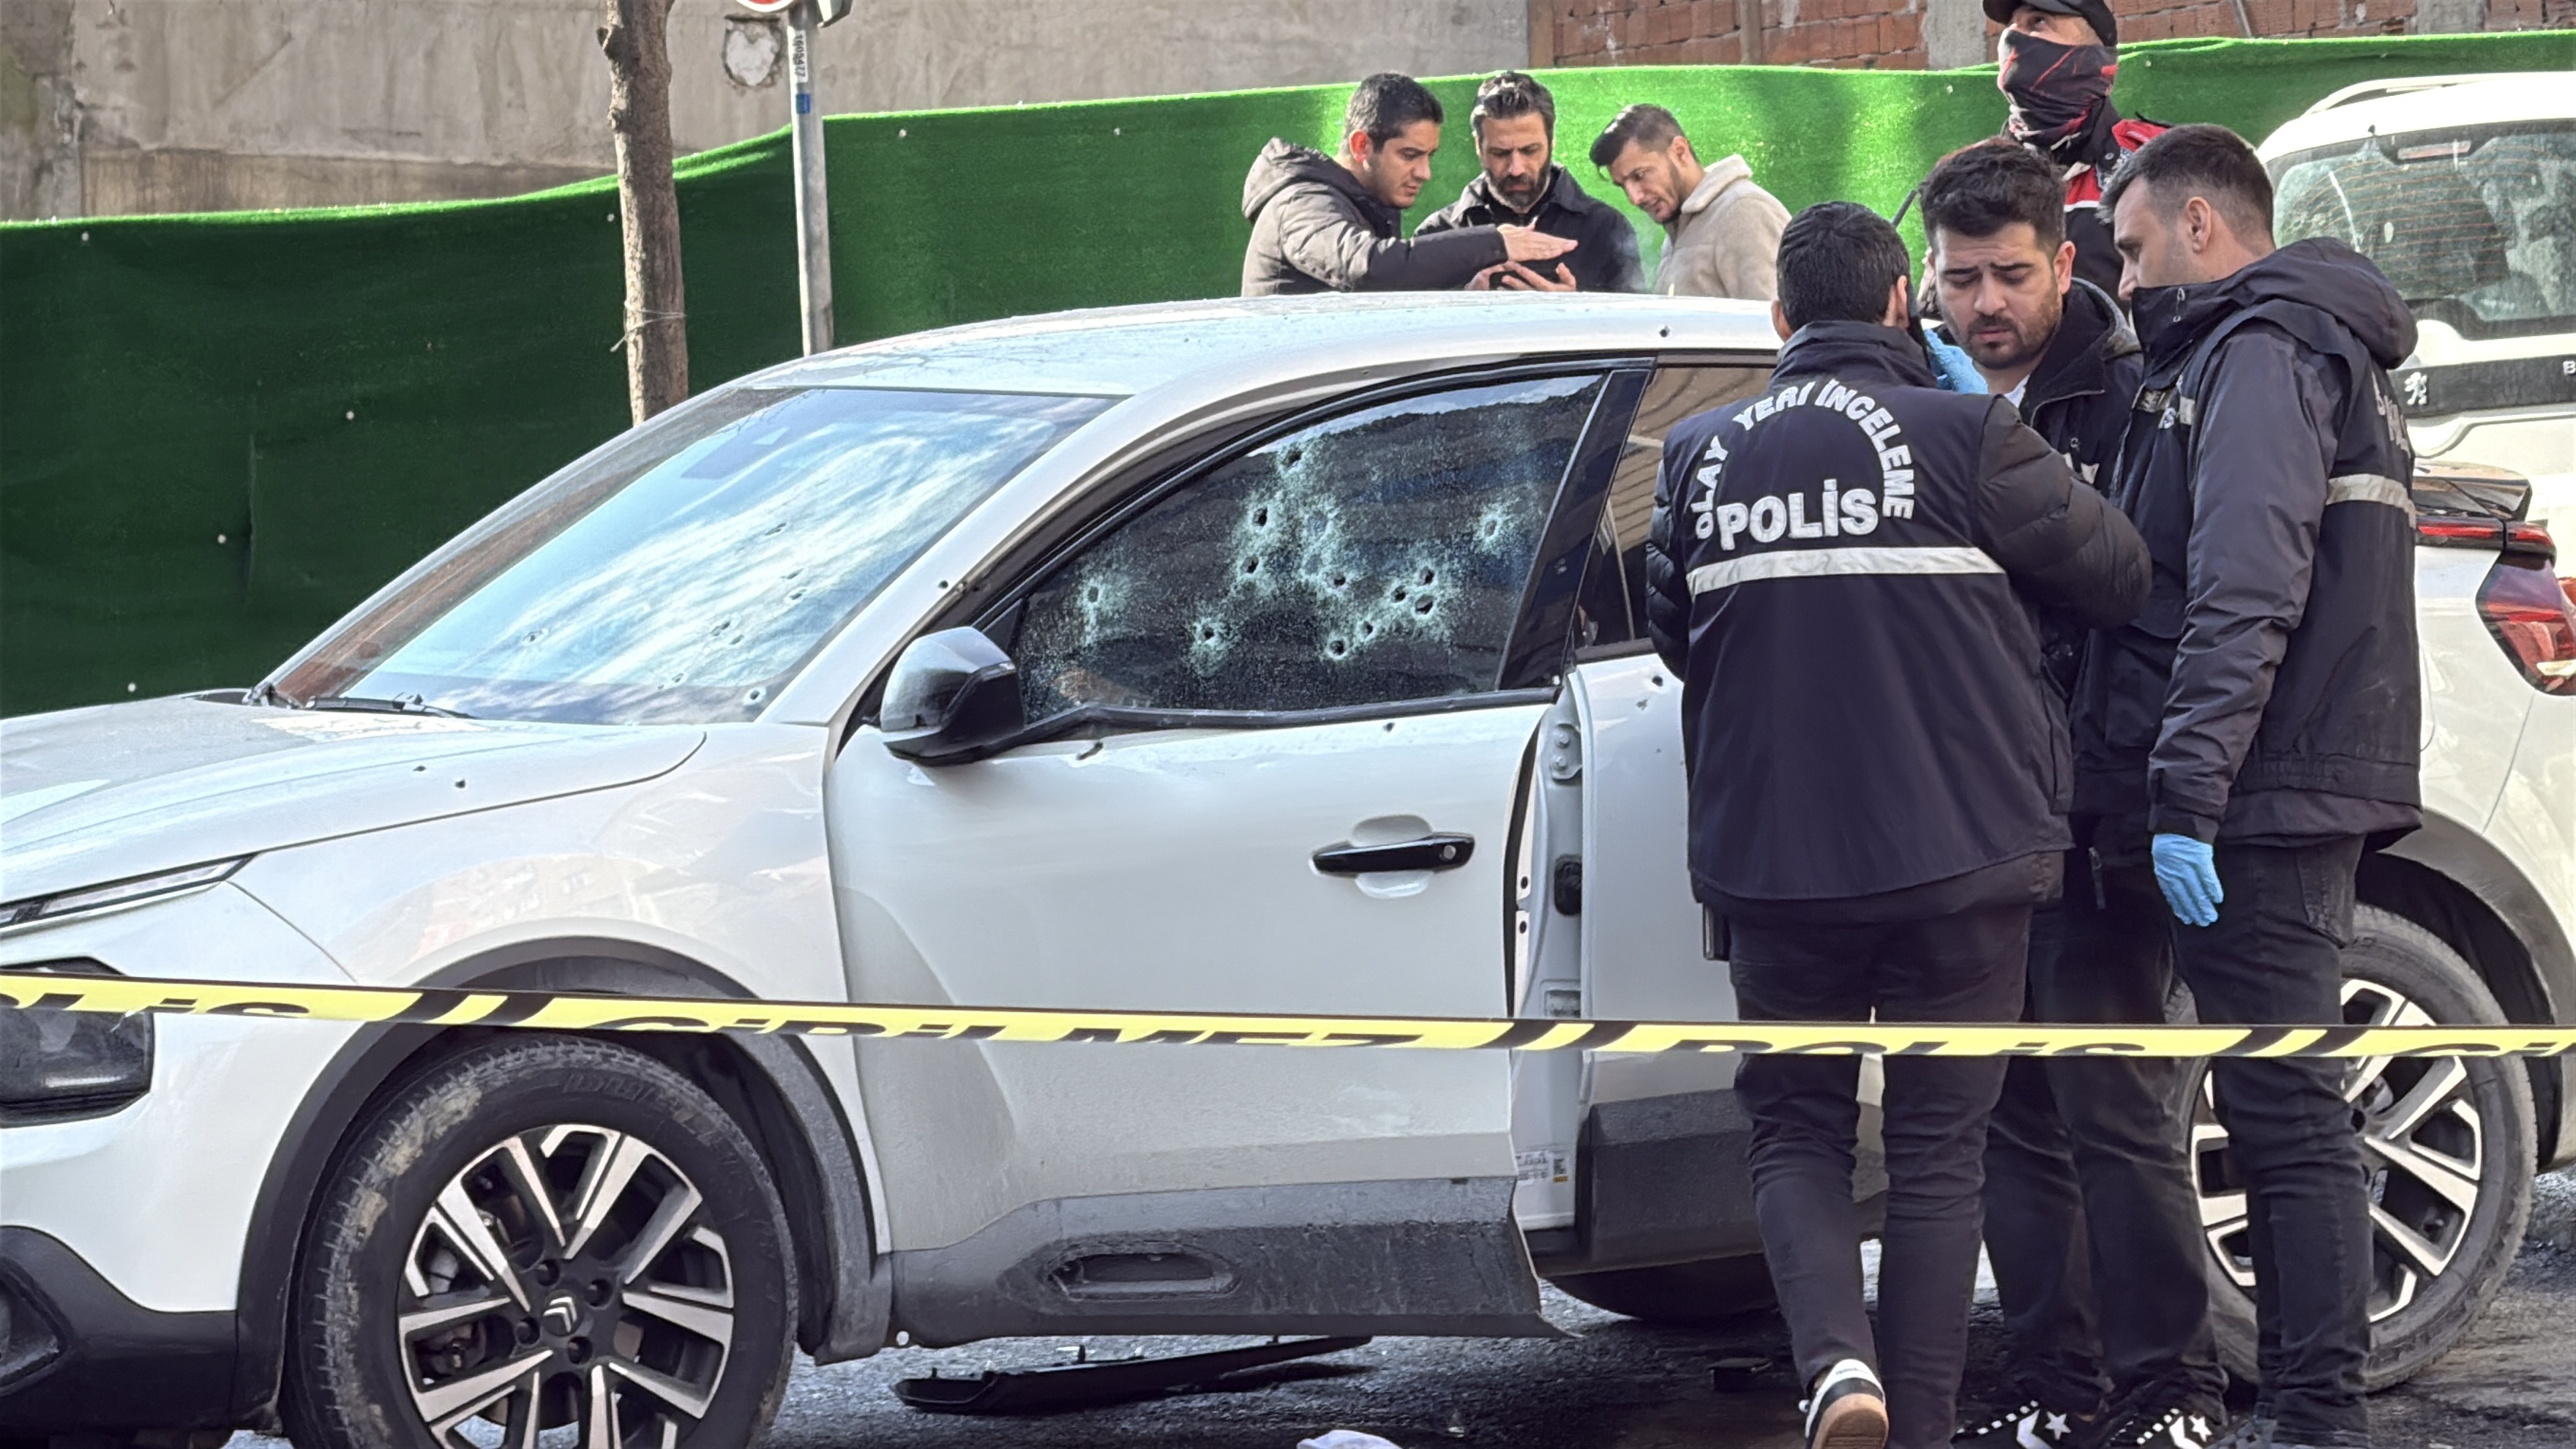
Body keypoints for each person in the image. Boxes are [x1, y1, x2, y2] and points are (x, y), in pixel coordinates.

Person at [1644, 201, 2148, 1449]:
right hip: (1960, 859)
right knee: (1937, 1155)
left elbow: (1678, 636)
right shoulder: (1970, 433)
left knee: (1796, 1133)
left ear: (1779, 318)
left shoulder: (1696, 454)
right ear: (1897, 308)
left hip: (1775, 869)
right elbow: (2120, 574)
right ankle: (1915, 1424)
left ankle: (1835, 1371)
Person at [2079, 124, 2422, 1449]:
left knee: (2286, 1120)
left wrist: (2186, 794)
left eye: (2133, 247)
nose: (2128, 277)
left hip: (2262, 792)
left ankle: (2314, 1418)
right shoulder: (2277, 343)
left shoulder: (2265, 348)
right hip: (2277, 779)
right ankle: (2305, 1411)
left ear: (2200, 223)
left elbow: (2244, 586)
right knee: (2281, 1111)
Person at [1919, 138, 2228, 1449]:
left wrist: (2136, 791)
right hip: (1974, 813)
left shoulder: (2132, 393)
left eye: (2009, 275)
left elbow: (2157, 595)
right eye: (1960, 280)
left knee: (2118, 1108)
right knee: (2006, 1117)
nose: (1985, 304)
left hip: (2096, 803)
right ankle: (2053, 1382)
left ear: (2062, 262)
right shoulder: (1918, 399)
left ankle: (2173, 1389)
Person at [1241, 72, 1575, 296]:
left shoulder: (1357, 205)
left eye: (1429, 156)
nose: (1424, 173)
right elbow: (1367, 267)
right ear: (1362, 146)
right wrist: (1495, 242)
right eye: (1410, 155)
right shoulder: (1301, 202)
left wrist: (1466, 299)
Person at [1986, 1, 2166, 297]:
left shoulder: (2157, 162)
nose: (2013, 37)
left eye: (2038, 21)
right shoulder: (1974, 174)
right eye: (2011, 26)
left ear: (2093, 51)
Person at [1416, 71, 1644, 293]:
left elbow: (1635, 317)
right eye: (1500, 153)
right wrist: (1465, 302)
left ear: (1552, 141)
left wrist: (1572, 308)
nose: (1516, 169)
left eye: (1530, 150)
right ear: (1478, 147)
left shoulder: (1605, 230)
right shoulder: (1437, 234)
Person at [1590, 103, 1789, 301]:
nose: (1634, 198)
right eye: (1622, 186)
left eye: (1640, 176)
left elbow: (1776, 315)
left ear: (1679, 151)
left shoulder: (1745, 211)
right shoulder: (1678, 227)